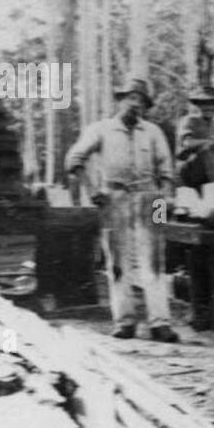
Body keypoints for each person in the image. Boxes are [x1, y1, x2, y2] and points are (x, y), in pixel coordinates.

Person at [65, 77, 179, 342]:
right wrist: (92, 190)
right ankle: (124, 321)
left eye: (140, 100)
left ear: (145, 106)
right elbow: (74, 159)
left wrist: (163, 205)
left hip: (150, 198)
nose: (135, 104)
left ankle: (160, 322)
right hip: (114, 198)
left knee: (155, 260)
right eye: (130, 98)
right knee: (118, 262)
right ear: (119, 100)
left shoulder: (152, 132)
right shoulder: (101, 129)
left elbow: (167, 172)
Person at [175, 86, 214, 191]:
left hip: (209, 174)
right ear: (198, 105)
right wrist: (211, 141)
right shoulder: (189, 121)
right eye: (204, 104)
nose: (208, 107)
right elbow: (186, 143)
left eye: (212, 104)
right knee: (208, 149)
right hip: (189, 171)